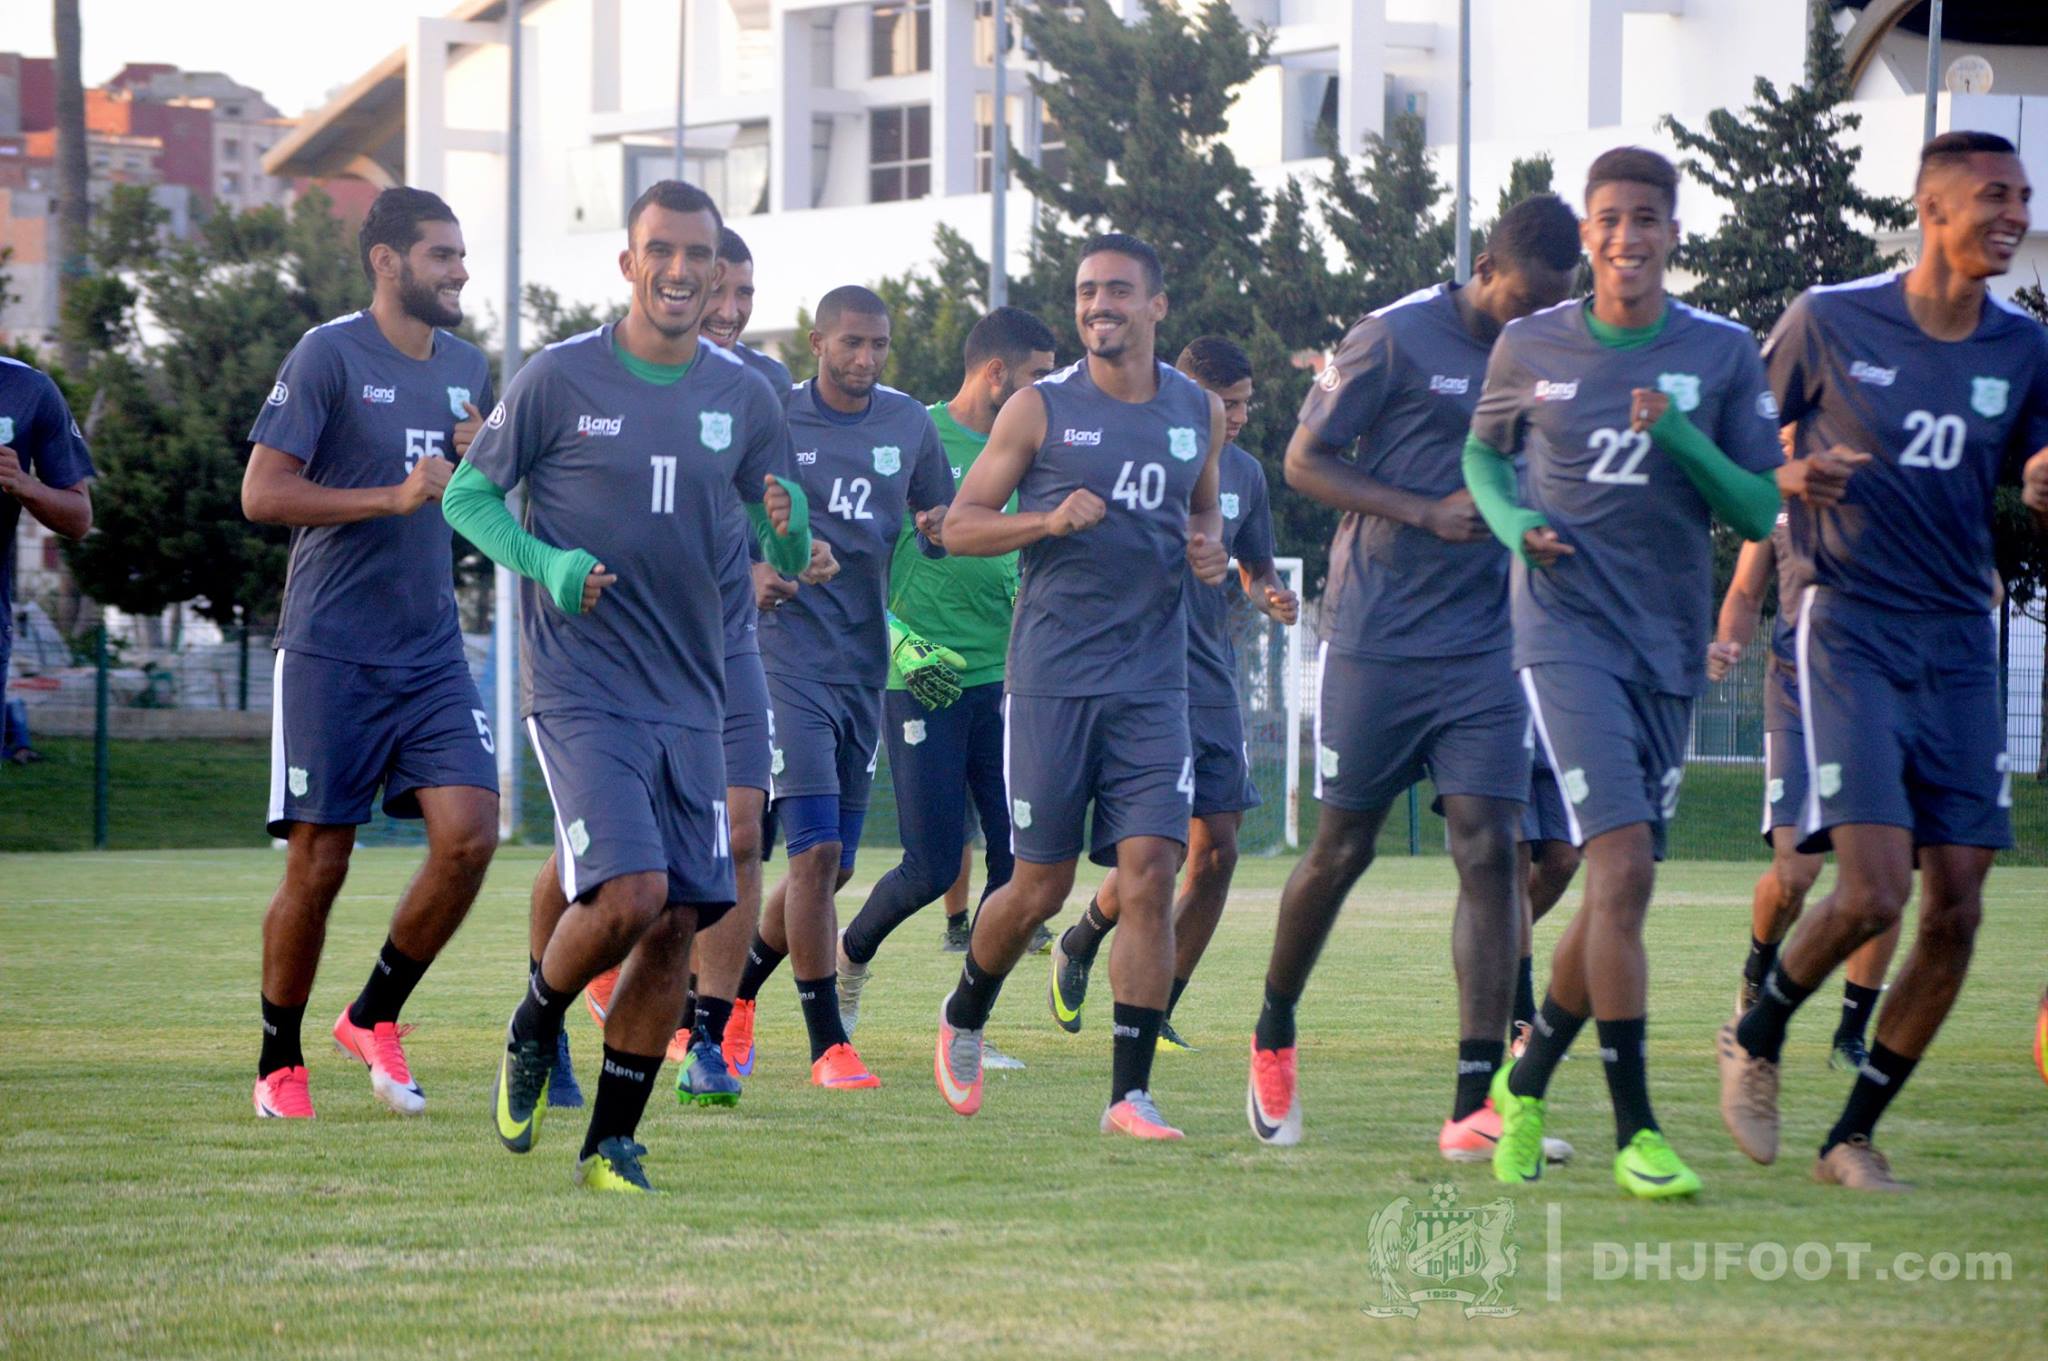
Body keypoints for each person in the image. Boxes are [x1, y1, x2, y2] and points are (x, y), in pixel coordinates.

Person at [1461, 147, 1864, 1198]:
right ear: (1584, 235)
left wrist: (1676, 432)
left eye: (1645, 217)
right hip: (1560, 633)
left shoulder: (1720, 350)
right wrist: (1513, 523)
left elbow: (1752, 509)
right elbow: (1482, 456)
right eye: (1607, 218)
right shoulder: (1526, 343)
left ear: (1670, 233)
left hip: (1664, 645)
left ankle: (1527, 1075)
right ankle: (1637, 1127)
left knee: (1611, 893)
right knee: (1625, 867)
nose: (1625, 236)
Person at [445, 179, 810, 1192]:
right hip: (580, 685)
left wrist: (787, 525)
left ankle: (611, 1142)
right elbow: (469, 495)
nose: (681, 271)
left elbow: (789, 532)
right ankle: (531, 1021)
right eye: (661, 251)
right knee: (631, 891)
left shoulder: (743, 395)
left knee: (681, 920)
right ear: (628, 262)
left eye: (697, 253)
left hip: (693, 691)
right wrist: (546, 563)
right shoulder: (560, 377)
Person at [1718, 131, 2048, 1192]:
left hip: (1957, 637)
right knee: (1866, 891)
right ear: (1930, 207)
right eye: (1991, 196)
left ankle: (1849, 1134)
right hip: (1845, 619)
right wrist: (1788, 468)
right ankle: (1756, 1033)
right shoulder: (1827, 317)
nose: (2012, 213)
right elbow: (1730, 447)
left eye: (2022, 198)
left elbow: (2032, 452)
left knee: (1955, 905)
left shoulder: (2020, 346)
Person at [1242, 194, 1579, 1157]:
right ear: (1485, 267)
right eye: (1524, 301)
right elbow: (1305, 461)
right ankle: (1272, 1030)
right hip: (1376, 634)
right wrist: (1422, 512)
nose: (1533, 322)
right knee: (1341, 850)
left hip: (1486, 645)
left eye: (1554, 305)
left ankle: (1477, 1097)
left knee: (1490, 850)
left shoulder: (1553, 350)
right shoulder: (1391, 336)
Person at [933, 231, 1229, 1140]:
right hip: (1053, 681)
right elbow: (956, 526)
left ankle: (1128, 1094)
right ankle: (965, 1011)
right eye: (1087, 291)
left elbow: (1204, 508)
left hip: (1152, 681)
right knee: (1038, 887)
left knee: (1150, 869)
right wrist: (1048, 519)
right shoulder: (1036, 409)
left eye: (1118, 290)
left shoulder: (1198, 411)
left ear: (1157, 306)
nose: (1099, 305)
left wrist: (1208, 546)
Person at [240, 187, 497, 1121]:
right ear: (387, 262)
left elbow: (484, 497)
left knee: (471, 834)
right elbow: (263, 494)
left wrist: (484, 465)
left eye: (462, 255)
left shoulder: (469, 366)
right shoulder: (327, 354)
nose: (459, 270)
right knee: (322, 862)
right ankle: (279, 1060)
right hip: (330, 651)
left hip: (429, 651)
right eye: (441, 255)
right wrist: (388, 497)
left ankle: (374, 1013)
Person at [567, 224, 832, 1110]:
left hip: (726, 646)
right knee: (609, 866)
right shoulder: (589, 375)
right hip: (614, 656)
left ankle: (708, 1037)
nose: (727, 308)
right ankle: (547, 1007)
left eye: (741, 294)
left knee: (742, 831)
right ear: (647, 274)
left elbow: (771, 517)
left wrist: (790, 553)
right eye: (717, 292)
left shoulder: (755, 388)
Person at [727, 284, 955, 1089]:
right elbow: (721, 509)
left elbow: (939, 517)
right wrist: (759, 567)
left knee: (836, 866)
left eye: (878, 345)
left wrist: (938, 534)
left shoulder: (908, 423)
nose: (865, 359)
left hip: (866, 665)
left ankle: (733, 996)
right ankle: (829, 1045)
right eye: (850, 343)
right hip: (783, 657)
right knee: (813, 849)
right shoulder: (774, 415)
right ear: (818, 341)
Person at [1049, 334, 1298, 1053]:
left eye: (1248, 403)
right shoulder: (1143, 450)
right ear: (1189, 397)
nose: (1242, 416)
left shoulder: (1244, 474)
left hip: (1209, 675)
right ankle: (1084, 938)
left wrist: (1270, 592)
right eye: (1229, 403)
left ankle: (1157, 1010)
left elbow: (1251, 567)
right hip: (1139, 669)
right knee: (1153, 850)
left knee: (1217, 851)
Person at [834, 307, 1058, 1055]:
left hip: (1007, 680)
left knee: (1017, 860)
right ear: (996, 374)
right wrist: (899, 643)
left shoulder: (1032, 443)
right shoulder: (916, 432)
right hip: (919, 678)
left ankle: (967, 1021)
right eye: (1034, 377)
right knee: (930, 866)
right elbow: (863, 553)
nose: (1043, 393)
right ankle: (850, 957)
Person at [1709, 506, 1899, 1072]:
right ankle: (1756, 973)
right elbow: (1745, 593)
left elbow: (1981, 585)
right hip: (1793, 692)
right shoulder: (1777, 497)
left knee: (1878, 878)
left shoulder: (1893, 481)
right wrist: (1728, 642)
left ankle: (1850, 1035)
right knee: (1796, 872)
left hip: (1875, 697)